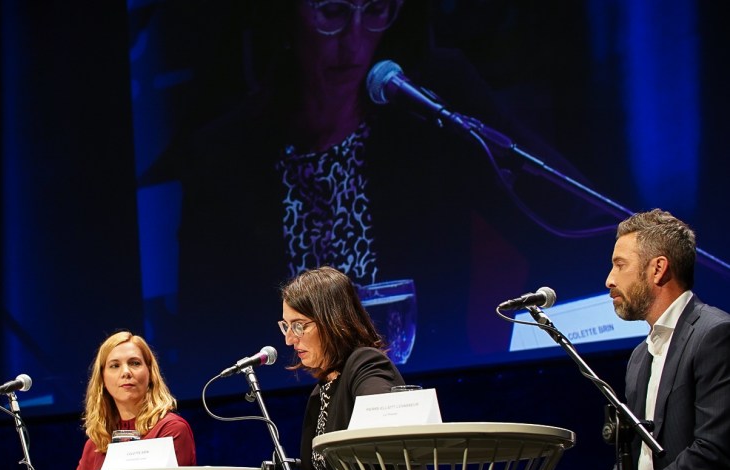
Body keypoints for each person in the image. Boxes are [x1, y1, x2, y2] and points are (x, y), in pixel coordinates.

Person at [176, 0, 611, 377]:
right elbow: (204, 334)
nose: (355, 39)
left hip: (421, 392)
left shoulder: (428, 104)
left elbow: (562, 215)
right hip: (290, 414)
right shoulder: (225, 153)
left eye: (377, 10)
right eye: (332, 12)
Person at [509, 209, 730, 470]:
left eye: (619, 265)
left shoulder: (714, 334)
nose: (609, 280)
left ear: (657, 269)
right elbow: (633, 455)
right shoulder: (642, 355)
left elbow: (713, 453)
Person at [259, 265, 426, 470]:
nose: (289, 339)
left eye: (299, 325)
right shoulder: (321, 392)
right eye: (286, 326)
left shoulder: (368, 365)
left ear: (333, 321)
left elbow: (375, 439)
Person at [44, 331, 197, 470]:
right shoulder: (97, 442)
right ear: (103, 379)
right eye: (115, 366)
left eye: (134, 363)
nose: (126, 372)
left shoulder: (170, 430)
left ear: (150, 373)